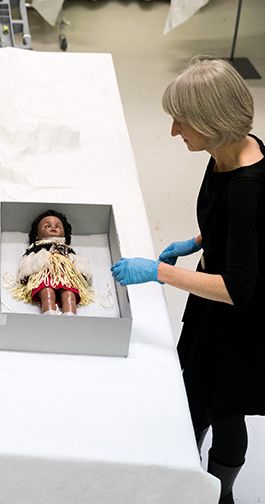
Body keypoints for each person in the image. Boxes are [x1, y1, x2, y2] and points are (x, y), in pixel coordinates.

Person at [111, 58, 264, 504]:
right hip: (213, 302)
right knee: (198, 396)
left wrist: (158, 272)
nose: (175, 131)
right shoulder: (227, 154)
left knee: (223, 409)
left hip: (240, 318)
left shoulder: (248, 188)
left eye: (182, 121)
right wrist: (198, 241)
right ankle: (186, 481)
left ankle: (218, 494)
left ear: (211, 121)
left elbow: (238, 288)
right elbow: (235, 228)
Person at [13, 209, 93, 315]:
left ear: (65, 237)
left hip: (66, 274)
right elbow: (28, 261)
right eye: (47, 226)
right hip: (44, 273)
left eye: (58, 226)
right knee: (47, 292)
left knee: (69, 295)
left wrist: (81, 273)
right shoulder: (36, 249)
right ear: (37, 235)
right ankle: (48, 313)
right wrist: (26, 273)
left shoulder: (67, 250)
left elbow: (78, 261)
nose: (53, 228)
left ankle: (70, 315)